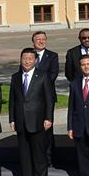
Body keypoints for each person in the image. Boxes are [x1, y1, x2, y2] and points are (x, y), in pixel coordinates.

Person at [9, 48, 56, 176]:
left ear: (35, 60)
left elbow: (49, 99)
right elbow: (12, 100)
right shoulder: (15, 77)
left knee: (39, 155)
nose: (27, 61)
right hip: (21, 121)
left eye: (30, 58)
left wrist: (49, 118)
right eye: (24, 58)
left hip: (38, 121)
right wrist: (12, 118)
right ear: (20, 59)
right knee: (24, 155)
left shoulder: (43, 76)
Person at [29, 30, 60, 164]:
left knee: (47, 127)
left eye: (43, 39)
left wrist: (37, 87)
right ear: (33, 41)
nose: (41, 41)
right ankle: (36, 156)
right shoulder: (28, 56)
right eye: (38, 39)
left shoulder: (52, 56)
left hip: (46, 97)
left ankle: (48, 158)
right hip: (31, 100)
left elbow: (52, 75)